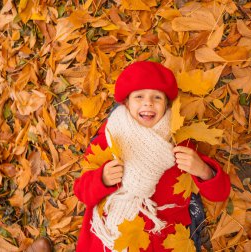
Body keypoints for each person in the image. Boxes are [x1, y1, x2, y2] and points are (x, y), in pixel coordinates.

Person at [74, 61, 231, 251]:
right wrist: (102, 179)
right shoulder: (109, 139)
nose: (148, 103)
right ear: (126, 102)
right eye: (139, 96)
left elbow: (220, 193)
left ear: (166, 105)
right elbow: (82, 192)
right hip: (109, 239)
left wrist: (204, 171)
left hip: (161, 240)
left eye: (157, 97)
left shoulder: (179, 144)